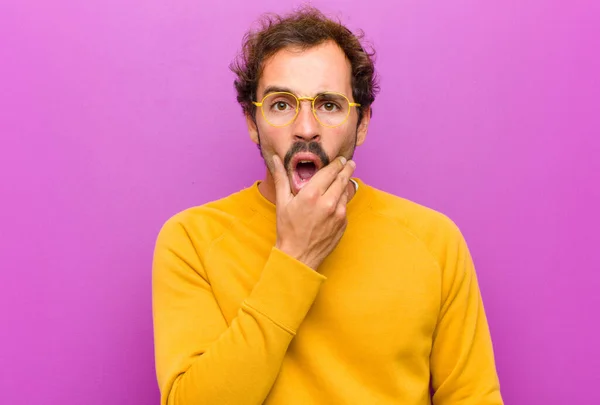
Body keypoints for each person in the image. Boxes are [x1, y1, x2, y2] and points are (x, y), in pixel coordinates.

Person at [152, 6, 503, 405]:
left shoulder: (435, 240)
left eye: (330, 105)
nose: (305, 127)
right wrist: (295, 259)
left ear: (363, 122)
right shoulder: (191, 240)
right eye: (281, 104)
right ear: (253, 122)